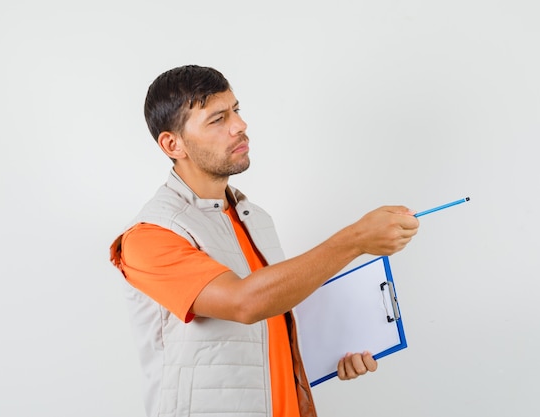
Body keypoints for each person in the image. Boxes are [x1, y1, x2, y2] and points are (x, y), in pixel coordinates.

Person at [109, 65, 419, 417]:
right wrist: (356, 239)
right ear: (172, 144)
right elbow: (246, 303)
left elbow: (269, 322)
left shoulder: (254, 218)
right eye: (217, 119)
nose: (240, 125)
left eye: (236, 110)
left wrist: (331, 351)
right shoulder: (150, 237)